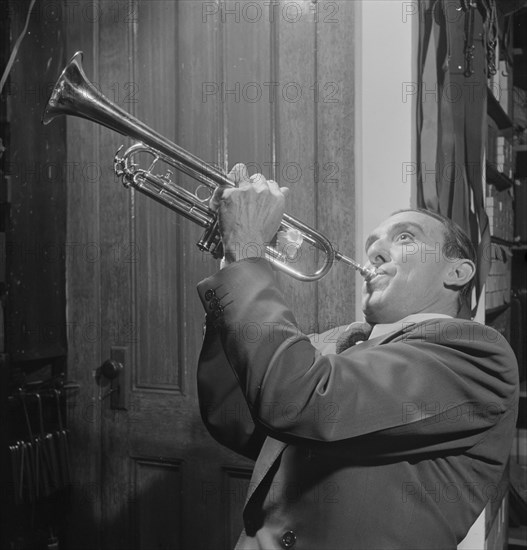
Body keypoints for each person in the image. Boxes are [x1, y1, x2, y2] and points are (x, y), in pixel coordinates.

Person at [196, 165, 519, 550]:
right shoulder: (342, 343)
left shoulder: (476, 354)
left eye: (404, 238)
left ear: (459, 271)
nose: (376, 252)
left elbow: (299, 401)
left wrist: (248, 249)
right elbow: (233, 419)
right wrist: (233, 265)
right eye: (372, 245)